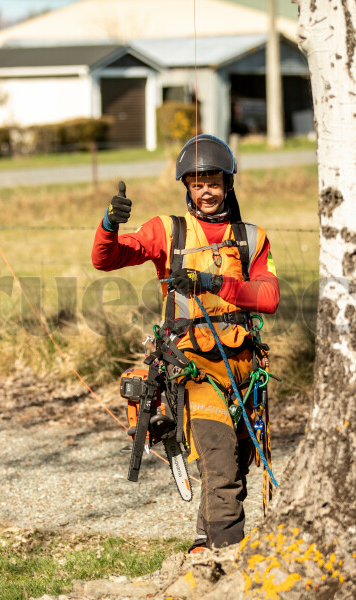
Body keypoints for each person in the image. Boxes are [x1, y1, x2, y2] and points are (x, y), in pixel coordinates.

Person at [91, 134, 280, 551]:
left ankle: (203, 545)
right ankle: (230, 557)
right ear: (186, 187)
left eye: (213, 180)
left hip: (245, 373)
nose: (206, 190)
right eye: (196, 183)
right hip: (193, 369)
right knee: (220, 462)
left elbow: (269, 297)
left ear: (228, 183)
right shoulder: (167, 231)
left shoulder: (250, 237)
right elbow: (105, 260)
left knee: (235, 467)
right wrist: (109, 225)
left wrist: (213, 282)